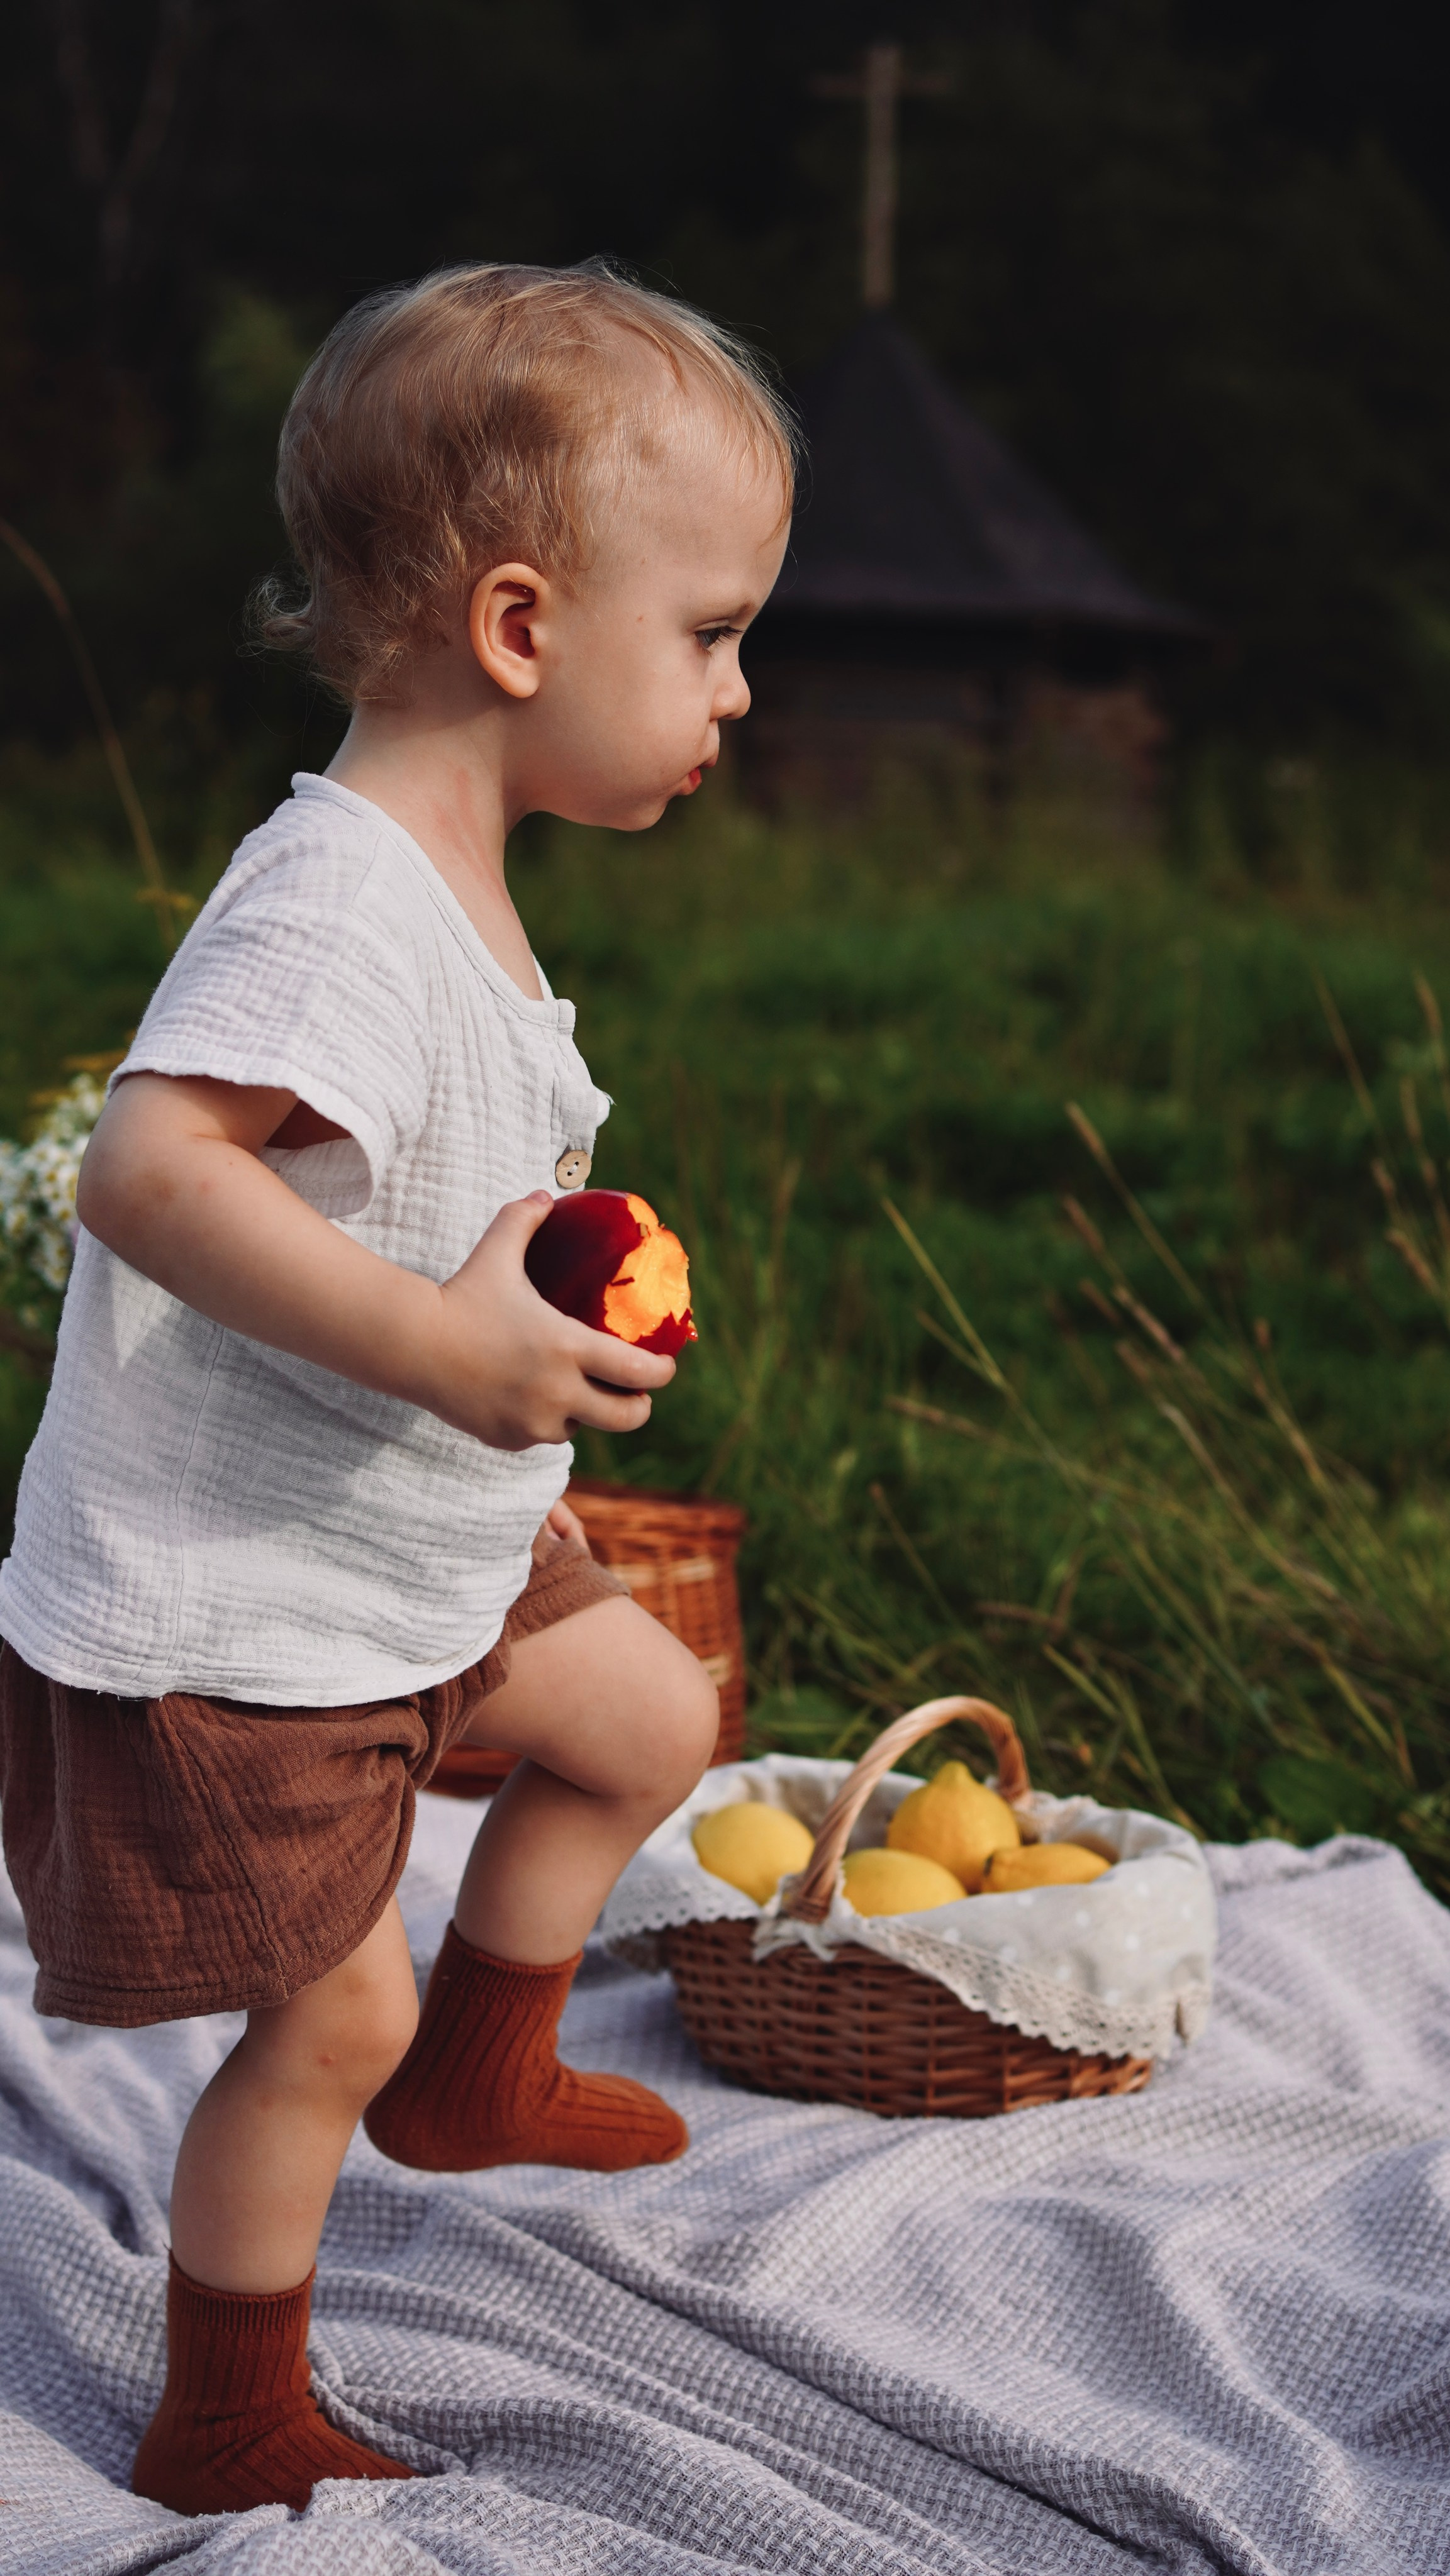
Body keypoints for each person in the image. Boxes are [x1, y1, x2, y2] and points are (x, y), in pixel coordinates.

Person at [0, 262, 795, 2516]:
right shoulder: (336, 900)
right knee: (325, 2014)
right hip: (242, 1602)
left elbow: (397, 1178)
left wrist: (526, 1280)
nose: (738, 689)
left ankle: (479, 2074)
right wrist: (448, 1343)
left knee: (645, 1719)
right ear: (521, 629)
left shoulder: (449, 884)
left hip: (399, 1539)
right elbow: (149, 1173)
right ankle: (223, 2407)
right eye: (712, 632)